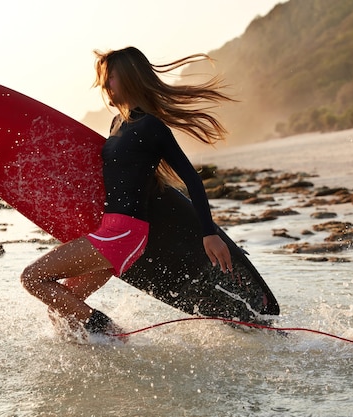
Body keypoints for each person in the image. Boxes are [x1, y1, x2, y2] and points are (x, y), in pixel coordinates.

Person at [20, 46, 234, 338]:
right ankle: (108, 353)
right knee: (61, 309)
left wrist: (209, 233)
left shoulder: (151, 126)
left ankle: (108, 330)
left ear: (130, 78)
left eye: (110, 79)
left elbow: (191, 180)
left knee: (32, 278)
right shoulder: (117, 124)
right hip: (112, 231)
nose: (105, 87)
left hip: (123, 234)